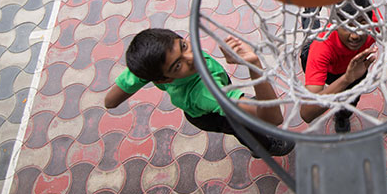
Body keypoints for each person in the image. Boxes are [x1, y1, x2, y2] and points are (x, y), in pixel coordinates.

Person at [104, 28, 294, 156]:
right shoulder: (204, 92)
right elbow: (273, 117)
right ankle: (264, 147)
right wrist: (253, 64)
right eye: (178, 65)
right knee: (245, 127)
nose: (192, 58)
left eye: (184, 46)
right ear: (164, 79)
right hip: (212, 113)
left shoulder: (148, 67)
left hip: (201, 105)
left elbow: (110, 101)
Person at [300, 0, 377, 133]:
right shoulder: (321, 48)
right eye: (347, 24)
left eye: (362, 22)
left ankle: (342, 115)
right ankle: (311, 9)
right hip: (328, 66)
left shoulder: (375, 24)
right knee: (311, 30)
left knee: (351, 97)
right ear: (335, 22)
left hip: (355, 67)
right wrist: (346, 79)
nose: (355, 35)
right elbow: (306, 113)